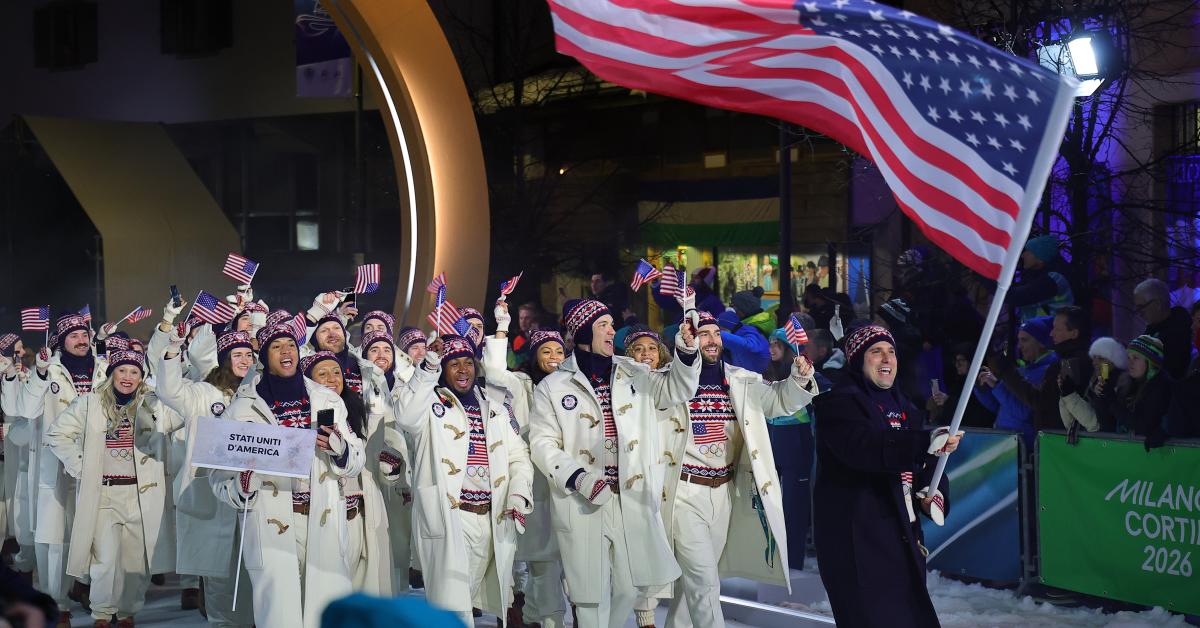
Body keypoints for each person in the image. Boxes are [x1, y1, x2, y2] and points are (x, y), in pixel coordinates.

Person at [529, 298, 701, 628]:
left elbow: (678, 388)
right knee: (589, 594)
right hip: (583, 499)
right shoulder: (552, 386)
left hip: (630, 498)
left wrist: (687, 350)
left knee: (628, 586)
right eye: (603, 325)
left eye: (611, 324)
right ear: (583, 332)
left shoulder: (635, 373)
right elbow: (542, 442)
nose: (612, 331)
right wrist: (577, 476)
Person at [656, 313, 817, 628]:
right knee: (704, 583)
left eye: (716, 333)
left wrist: (798, 380)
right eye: (704, 334)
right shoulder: (671, 381)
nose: (713, 339)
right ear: (688, 339)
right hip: (684, 493)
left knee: (698, 583)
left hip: (725, 492)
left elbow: (778, 402)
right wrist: (683, 356)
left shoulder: (743, 380)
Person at [210, 320, 366, 628]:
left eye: (291, 346)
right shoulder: (241, 409)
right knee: (279, 613)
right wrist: (242, 487)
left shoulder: (327, 400)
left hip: (324, 517)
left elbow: (356, 458)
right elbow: (218, 480)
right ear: (265, 356)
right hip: (271, 520)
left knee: (327, 609)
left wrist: (340, 449)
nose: (286, 352)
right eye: (277, 347)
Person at [812, 325, 961, 628]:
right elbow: (864, 449)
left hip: (903, 536)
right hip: (858, 540)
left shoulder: (906, 406)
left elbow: (926, 465)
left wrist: (933, 493)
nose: (886, 358)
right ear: (857, 360)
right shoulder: (838, 404)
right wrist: (924, 443)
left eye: (891, 351)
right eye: (875, 351)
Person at [394, 334, 534, 626]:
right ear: (443, 369)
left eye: (468, 362)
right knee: (452, 607)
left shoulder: (494, 407)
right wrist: (428, 366)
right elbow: (405, 416)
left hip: (491, 519)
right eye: (454, 363)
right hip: (451, 517)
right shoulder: (429, 402)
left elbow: (519, 456)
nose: (462, 369)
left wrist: (518, 495)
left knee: (466, 602)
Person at [45, 349, 176, 627]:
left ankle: (127, 613)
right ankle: (102, 614)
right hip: (104, 492)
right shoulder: (90, 403)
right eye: (122, 371)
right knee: (104, 560)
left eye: (134, 372)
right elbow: (57, 434)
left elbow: (180, 417)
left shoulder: (152, 404)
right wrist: (81, 467)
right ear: (111, 373)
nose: (128, 377)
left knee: (136, 562)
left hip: (142, 493)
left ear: (141, 378)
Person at [152, 317, 256, 628]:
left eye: (249, 355)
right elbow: (169, 390)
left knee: (251, 566)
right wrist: (172, 349)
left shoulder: (258, 395)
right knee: (218, 572)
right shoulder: (202, 393)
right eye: (237, 355)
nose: (245, 360)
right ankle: (222, 621)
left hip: (253, 494)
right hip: (213, 494)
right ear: (225, 360)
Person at [16, 313, 109, 626]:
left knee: (96, 529)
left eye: (84, 335)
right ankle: (56, 603)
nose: (81, 340)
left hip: (96, 459)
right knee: (54, 537)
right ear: (62, 340)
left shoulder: (103, 369)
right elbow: (26, 410)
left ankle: (95, 595)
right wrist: (39, 374)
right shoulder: (48, 370)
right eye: (74, 336)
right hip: (54, 462)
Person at [486, 305, 570, 628]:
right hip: (533, 482)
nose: (553, 357)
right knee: (541, 560)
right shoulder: (522, 384)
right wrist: (502, 328)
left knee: (567, 563)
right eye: (546, 351)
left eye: (559, 351)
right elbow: (494, 372)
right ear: (534, 356)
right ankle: (540, 615)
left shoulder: (573, 386)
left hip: (567, 485)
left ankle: (539, 614)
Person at [301, 348, 396, 596]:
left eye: (337, 372)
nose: (333, 378)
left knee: (358, 588)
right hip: (324, 516)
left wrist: (389, 461)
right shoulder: (304, 416)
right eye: (322, 373)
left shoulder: (361, 411)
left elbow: (379, 452)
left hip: (359, 513)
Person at [763, 329, 826, 571]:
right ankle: (773, 561)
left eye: (777, 344)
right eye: (770, 343)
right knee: (770, 506)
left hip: (796, 443)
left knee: (794, 508)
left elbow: (824, 391)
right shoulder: (765, 372)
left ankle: (793, 562)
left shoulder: (806, 373)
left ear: (790, 348)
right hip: (771, 440)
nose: (771, 348)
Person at [989, 305, 1092, 433]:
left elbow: (1041, 402)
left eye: (1057, 329)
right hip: (1060, 440)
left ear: (1074, 333)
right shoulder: (1072, 360)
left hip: (1061, 442)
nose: (1051, 333)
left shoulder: (1069, 364)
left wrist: (1007, 373)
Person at [974, 317, 1057, 447]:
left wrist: (997, 385)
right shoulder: (1022, 370)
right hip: (1006, 444)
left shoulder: (1048, 372)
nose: (1019, 346)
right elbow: (998, 407)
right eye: (1018, 340)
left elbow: (1024, 413)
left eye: (1024, 340)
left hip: (1023, 446)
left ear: (1041, 342)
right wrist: (981, 387)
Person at [1094, 336, 1173, 450]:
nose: (1130, 363)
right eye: (1128, 357)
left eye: (1135, 358)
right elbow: (1106, 423)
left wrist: (1112, 401)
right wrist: (1101, 396)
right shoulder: (1127, 384)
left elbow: (1143, 425)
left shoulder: (1161, 388)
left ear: (1150, 361)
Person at [1058, 337, 1129, 436]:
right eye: (1094, 358)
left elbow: (1099, 425)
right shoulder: (1095, 382)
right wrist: (1065, 392)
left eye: (1101, 358)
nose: (1095, 362)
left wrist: (1068, 394)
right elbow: (1072, 423)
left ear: (1114, 361)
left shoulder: (1118, 384)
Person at [1007, 234, 1074, 322]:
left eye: (1028, 251)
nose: (1023, 255)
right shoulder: (1036, 273)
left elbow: (1016, 297)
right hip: (1038, 332)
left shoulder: (1053, 280)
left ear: (1040, 258)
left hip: (1050, 333)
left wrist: (986, 276)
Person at [1134, 278, 1193, 379]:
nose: (1139, 313)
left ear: (1157, 304)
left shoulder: (1178, 332)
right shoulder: (1151, 330)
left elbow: (1168, 371)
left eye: (1141, 307)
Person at [927, 343, 994, 429]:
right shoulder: (960, 382)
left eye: (961, 360)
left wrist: (948, 401)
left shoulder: (982, 382)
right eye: (956, 361)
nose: (957, 364)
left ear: (972, 361)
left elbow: (977, 414)